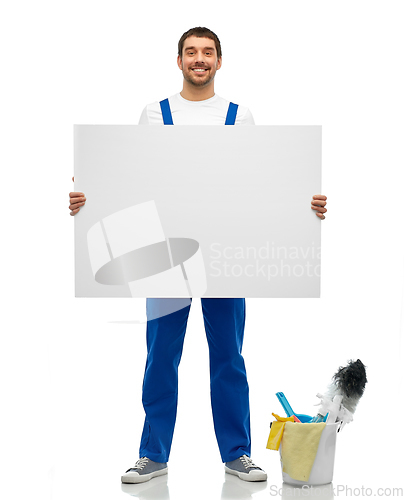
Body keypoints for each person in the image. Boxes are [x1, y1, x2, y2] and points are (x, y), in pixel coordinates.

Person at [69, 27, 328, 484]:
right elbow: (130, 178)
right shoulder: (155, 113)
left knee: (228, 357)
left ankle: (238, 454)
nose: (199, 59)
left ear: (219, 61)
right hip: (165, 261)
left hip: (225, 257)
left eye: (207, 52)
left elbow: (260, 182)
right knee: (160, 358)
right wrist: (87, 201)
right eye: (191, 52)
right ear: (179, 61)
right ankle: (152, 455)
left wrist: (303, 207)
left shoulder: (238, 115)